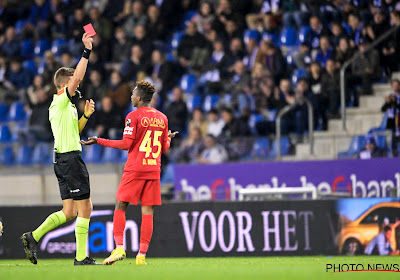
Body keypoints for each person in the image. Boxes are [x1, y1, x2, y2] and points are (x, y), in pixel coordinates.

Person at [21, 33, 99, 266]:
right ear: (66, 84)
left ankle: (32, 236)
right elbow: (78, 76)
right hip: (70, 160)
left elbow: (75, 130)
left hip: (61, 159)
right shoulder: (62, 100)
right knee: (86, 207)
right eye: (74, 80)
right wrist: (87, 51)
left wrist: (86, 115)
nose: (78, 82)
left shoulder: (64, 107)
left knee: (69, 211)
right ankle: (81, 257)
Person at [80, 81, 178, 265]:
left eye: (133, 94)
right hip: (153, 169)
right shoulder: (163, 118)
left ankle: (119, 248)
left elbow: (126, 144)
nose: (131, 97)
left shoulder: (133, 116)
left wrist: (99, 141)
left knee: (120, 206)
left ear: (139, 98)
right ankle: (141, 256)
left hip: (135, 168)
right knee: (148, 211)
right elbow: (164, 147)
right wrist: (169, 139)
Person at [381, 79, 400, 156]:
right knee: (394, 143)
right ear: (392, 87)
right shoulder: (390, 97)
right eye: (394, 86)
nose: (395, 87)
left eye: (397, 85)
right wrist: (387, 103)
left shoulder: (394, 98)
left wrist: (392, 102)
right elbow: (383, 109)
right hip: (393, 122)